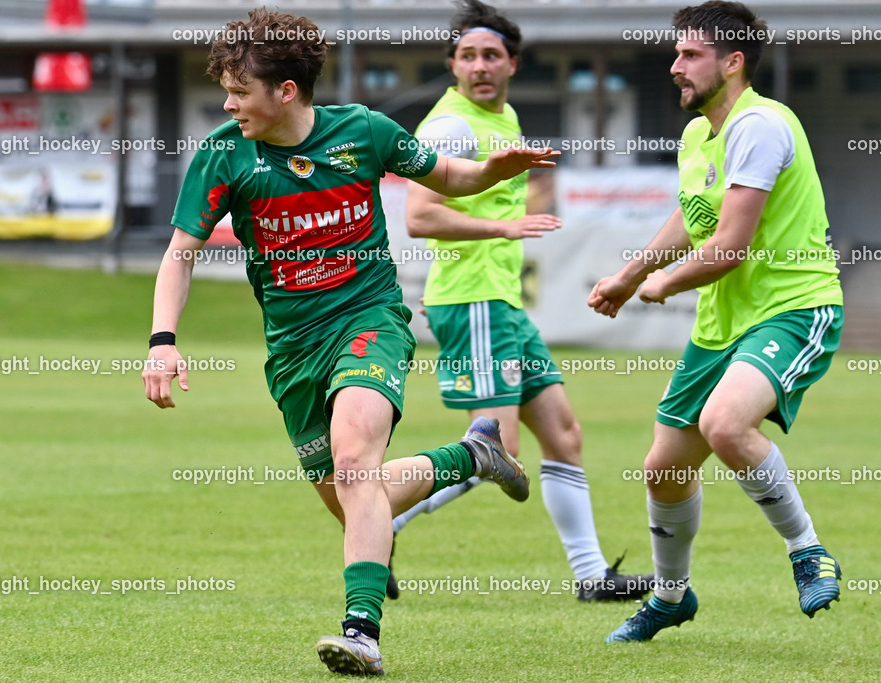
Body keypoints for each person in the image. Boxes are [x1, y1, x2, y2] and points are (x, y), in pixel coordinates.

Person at [141, 8, 558, 676]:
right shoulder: (224, 152)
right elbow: (181, 253)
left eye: (238, 90)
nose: (227, 102)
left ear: (284, 91)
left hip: (369, 321)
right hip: (293, 349)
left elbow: (449, 178)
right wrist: (163, 339)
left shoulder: (363, 132)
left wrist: (495, 171)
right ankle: (470, 454)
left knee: (354, 459)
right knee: (354, 495)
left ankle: (361, 629)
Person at [589, 0, 844, 643]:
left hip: (793, 306)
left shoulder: (758, 125)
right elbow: (691, 218)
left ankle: (808, 551)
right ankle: (671, 597)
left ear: (732, 62)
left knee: (726, 424)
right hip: (723, 322)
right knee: (664, 469)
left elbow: (729, 245)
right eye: (676, 53)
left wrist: (664, 283)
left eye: (690, 54)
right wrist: (628, 275)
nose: (675, 66)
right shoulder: (699, 133)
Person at [396, 0, 653, 603]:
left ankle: (592, 579)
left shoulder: (504, 117)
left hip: (501, 303)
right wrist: (502, 229)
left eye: (491, 55)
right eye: (467, 56)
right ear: (452, 65)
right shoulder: (448, 126)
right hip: (473, 300)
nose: (479, 66)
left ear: (512, 63)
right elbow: (419, 215)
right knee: (495, 450)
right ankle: (379, 522)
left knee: (564, 435)